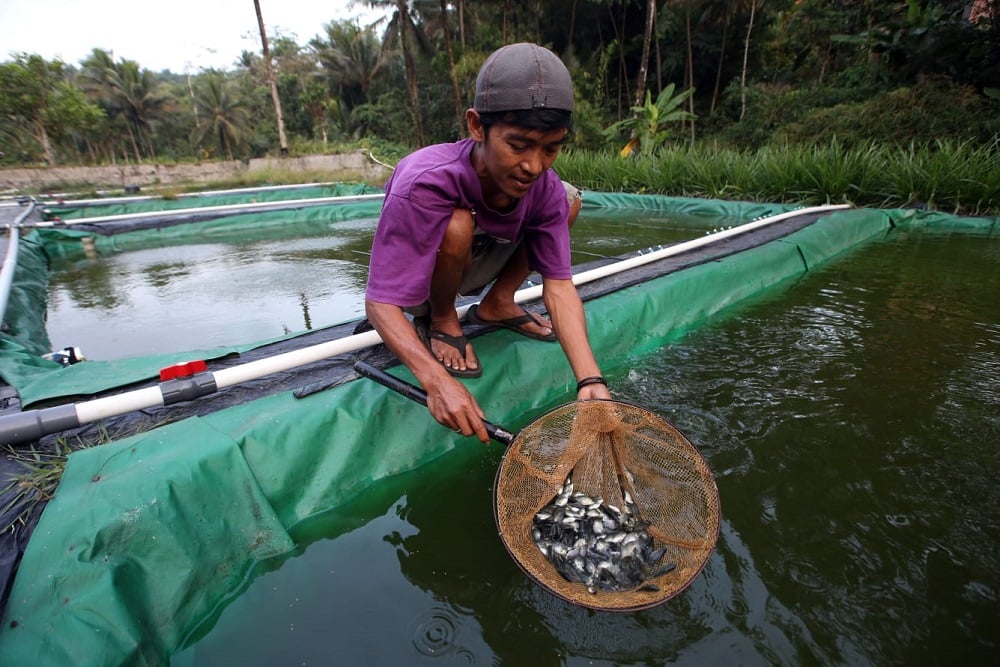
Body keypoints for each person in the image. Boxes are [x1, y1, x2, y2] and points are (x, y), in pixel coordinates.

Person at [364, 42, 611, 443]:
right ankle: (444, 318)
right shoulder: (424, 180)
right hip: (427, 281)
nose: (534, 165)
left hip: (483, 258)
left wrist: (591, 380)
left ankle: (498, 302)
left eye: (550, 148)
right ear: (478, 126)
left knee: (566, 198)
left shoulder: (540, 185)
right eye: (518, 145)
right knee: (457, 224)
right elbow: (380, 301)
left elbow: (560, 286)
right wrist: (436, 381)